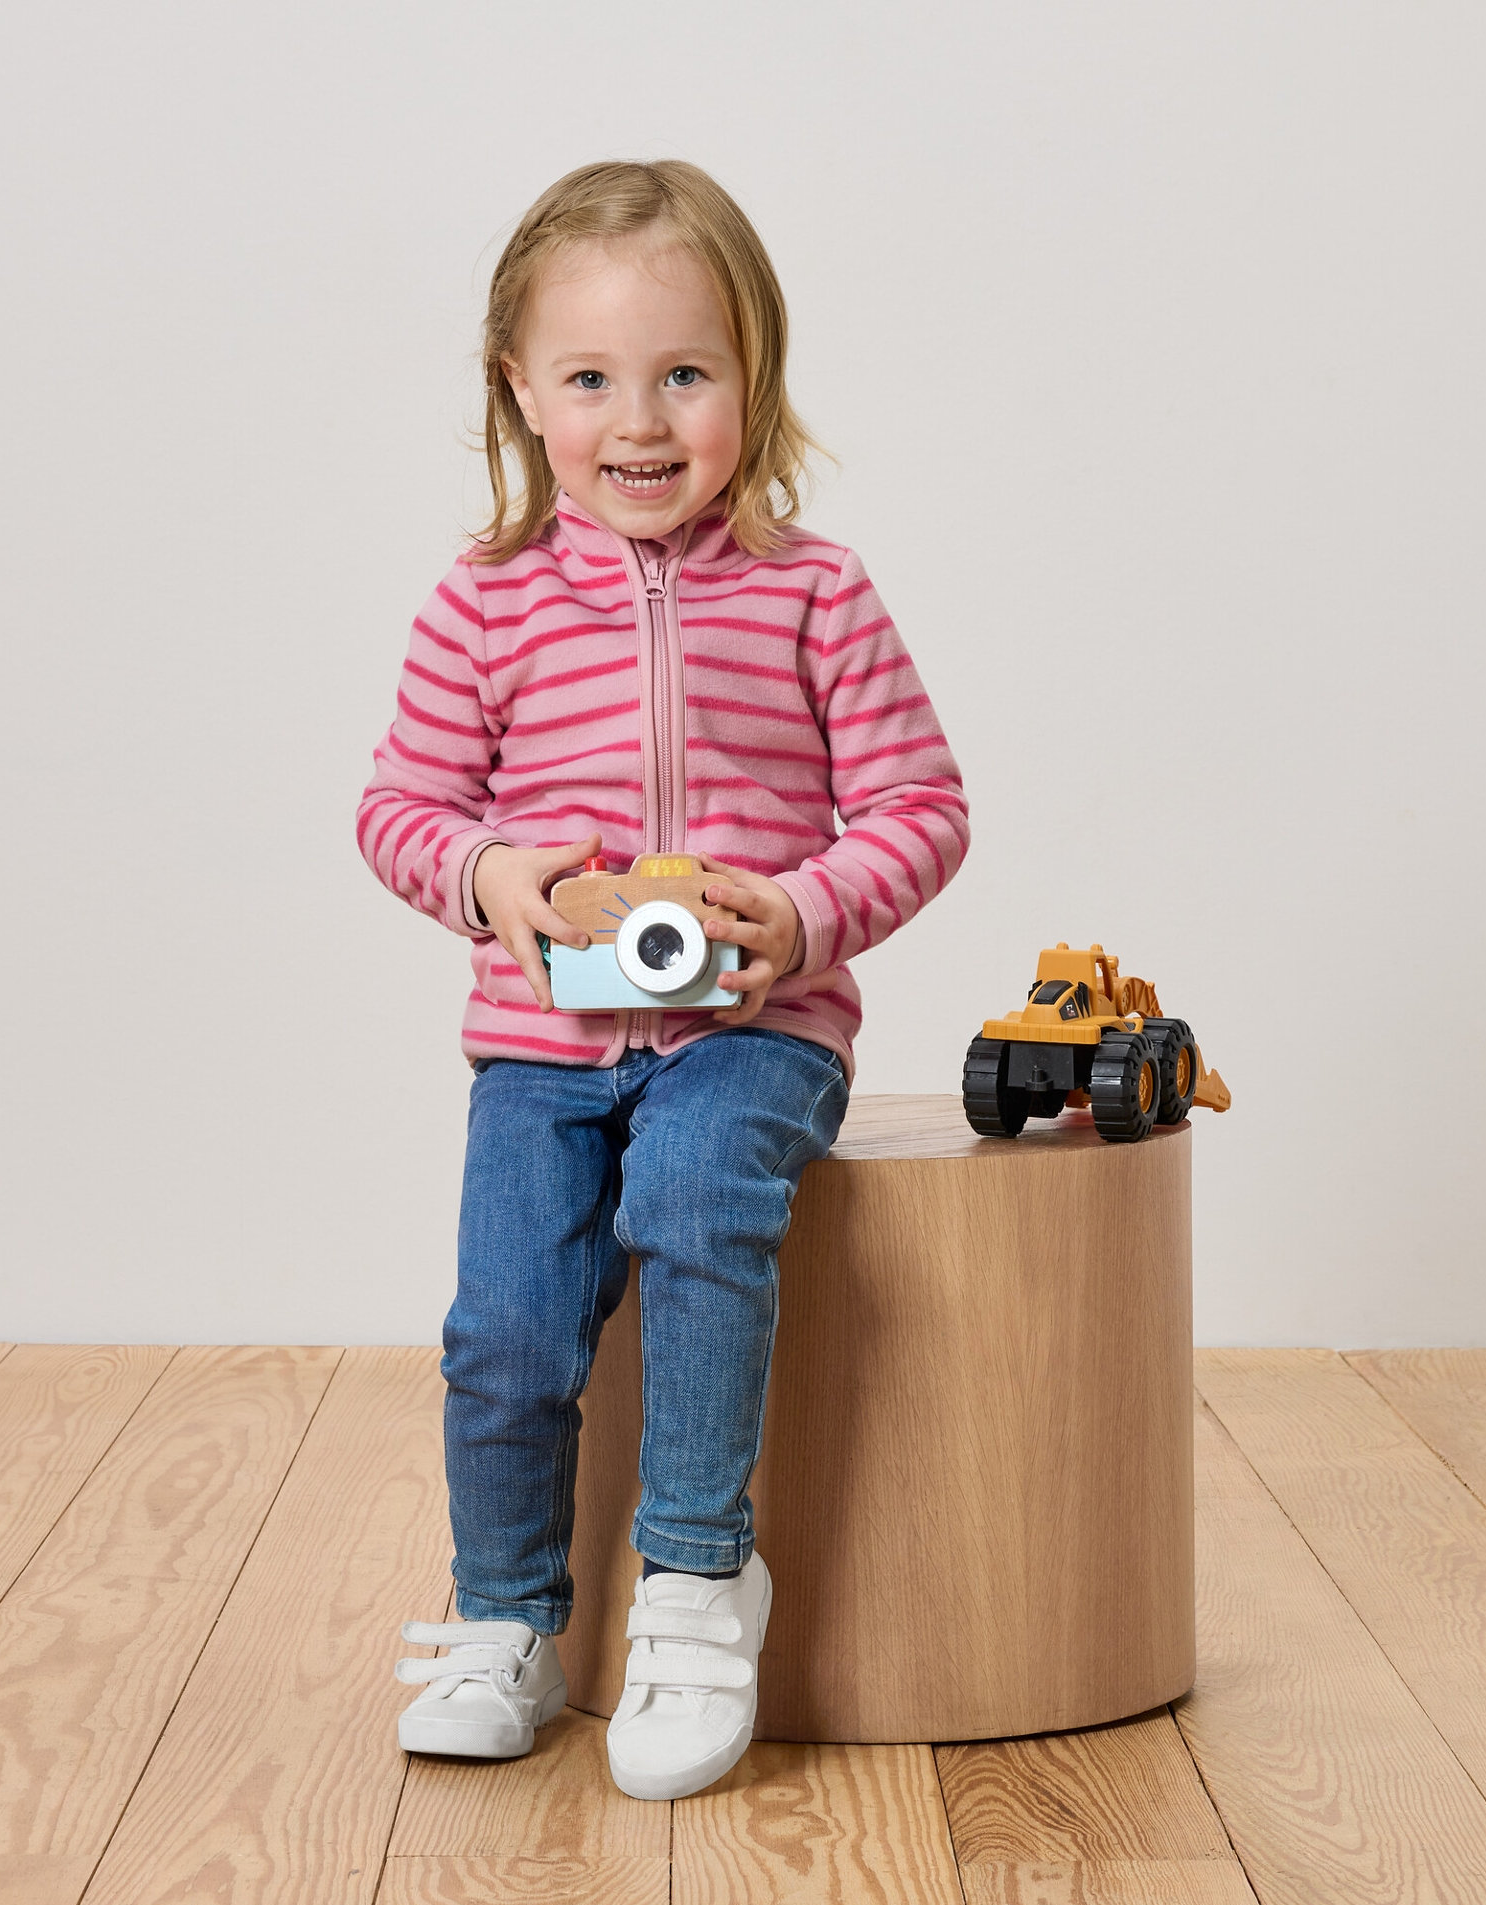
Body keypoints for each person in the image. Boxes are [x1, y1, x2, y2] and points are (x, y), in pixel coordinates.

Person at [356, 159, 968, 1801]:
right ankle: (506, 1618)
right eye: (590, 378)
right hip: (537, 1042)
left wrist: (803, 912)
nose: (640, 419)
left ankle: (698, 1588)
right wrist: (491, 880)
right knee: (502, 1327)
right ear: (520, 390)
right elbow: (395, 810)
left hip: (753, 1032)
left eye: (685, 373)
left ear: (752, 377)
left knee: (697, 1199)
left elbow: (922, 807)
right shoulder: (477, 605)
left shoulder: (815, 594)